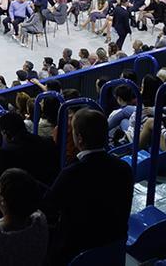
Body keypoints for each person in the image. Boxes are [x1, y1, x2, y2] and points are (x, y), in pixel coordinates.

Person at [40, 108, 133, 264]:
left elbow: (48, 206)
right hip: (114, 245)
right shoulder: (124, 168)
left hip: (77, 251)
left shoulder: (71, 173)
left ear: (80, 139)